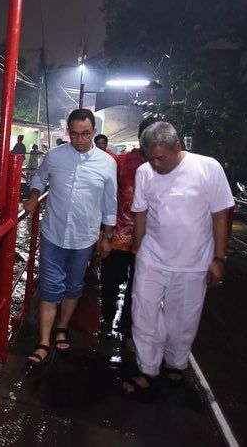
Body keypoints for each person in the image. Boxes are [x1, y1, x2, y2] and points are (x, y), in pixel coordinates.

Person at [122, 122, 234, 396]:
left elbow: (220, 215)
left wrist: (219, 259)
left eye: (162, 158)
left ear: (178, 147)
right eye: (150, 158)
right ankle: (147, 368)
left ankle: (175, 362)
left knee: (183, 318)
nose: (156, 164)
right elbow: (141, 212)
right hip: (152, 256)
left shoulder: (208, 168)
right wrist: (137, 250)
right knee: (143, 313)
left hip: (193, 261)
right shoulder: (144, 172)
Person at [23, 108, 117, 370]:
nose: (79, 139)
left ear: (94, 131)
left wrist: (107, 237)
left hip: (84, 236)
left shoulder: (108, 163)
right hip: (53, 232)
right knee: (51, 286)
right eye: (73, 134)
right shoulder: (55, 156)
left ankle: (62, 328)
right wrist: (33, 195)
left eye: (85, 134)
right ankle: (43, 343)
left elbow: (110, 204)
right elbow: (40, 177)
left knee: (74, 286)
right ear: (68, 133)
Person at [100, 117, 160, 344]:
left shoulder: (166, 166)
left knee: (140, 288)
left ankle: (127, 329)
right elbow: (107, 199)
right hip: (118, 236)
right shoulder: (122, 162)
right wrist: (103, 233)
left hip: (151, 241)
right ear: (140, 137)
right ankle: (107, 320)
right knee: (109, 282)